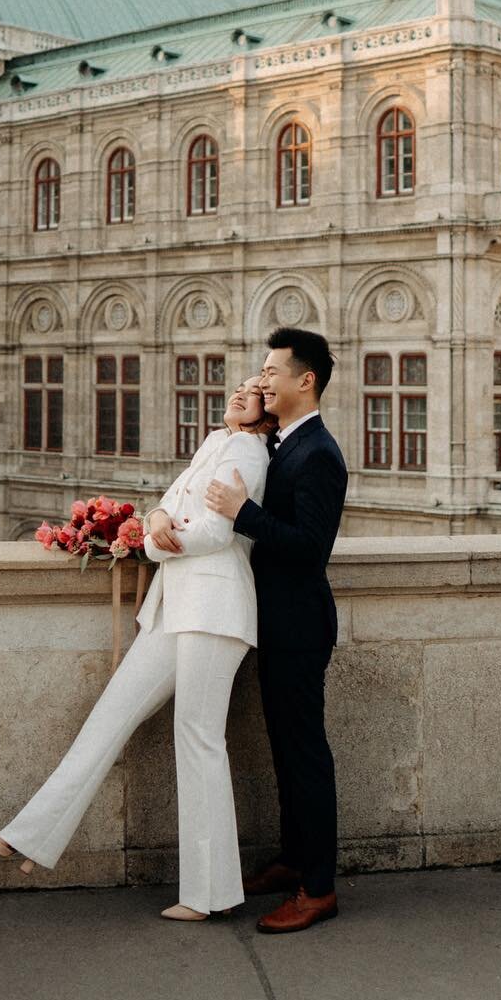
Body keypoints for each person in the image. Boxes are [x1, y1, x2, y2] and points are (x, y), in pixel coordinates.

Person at [0, 376, 274, 920]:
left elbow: (215, 533)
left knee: (200, 741)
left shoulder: (249, 452)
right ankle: (28, 837)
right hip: (175, 605)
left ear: (266, 412)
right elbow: (167, 507)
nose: (239, 392)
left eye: (253, 391)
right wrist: (157, 521)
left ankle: (209, 895)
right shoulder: (214, 442)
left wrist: (159, 540)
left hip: (213, 607)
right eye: (238, 385)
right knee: (109, 716)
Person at [205, 327, 347, 935]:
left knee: (306, 757)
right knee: (288, 754)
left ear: (305, 379)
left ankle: (318, 889)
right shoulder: (286, 443)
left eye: (271, 370)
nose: (262, 379)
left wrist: (244, 515)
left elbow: (311, 549)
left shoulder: (319, 453)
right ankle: (294, 861)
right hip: (277, 624)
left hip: (298, 627)